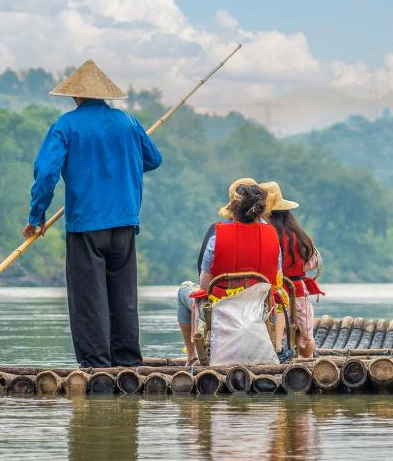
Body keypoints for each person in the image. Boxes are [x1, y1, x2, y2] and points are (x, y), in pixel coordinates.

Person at [24, 60, 162, 368]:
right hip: (125, 224)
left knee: (90, 299)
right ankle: (127, 362)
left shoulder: (66, 125)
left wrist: (37, 215)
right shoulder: (128, 122)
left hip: (86, 226)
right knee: (123, 297)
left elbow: (46, 173)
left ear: (75, 96)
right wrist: (122, 158)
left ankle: (97, 364)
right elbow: (153, 159)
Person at [175, 177, 257, 364]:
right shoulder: (271, 237)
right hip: (258, 310)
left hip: (221, 310)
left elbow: (205, 284)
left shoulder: (217, 234)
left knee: (182, 293)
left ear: (233, 207)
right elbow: (274, 280)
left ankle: (192, 355)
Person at [265, 182, 322, 359]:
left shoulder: (266, 234)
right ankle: (306, 361)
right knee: (305, 335)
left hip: (273, 295)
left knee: (277, 331)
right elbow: (313, 261)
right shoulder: (298, 234)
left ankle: (278, 355)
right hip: (297, 291)